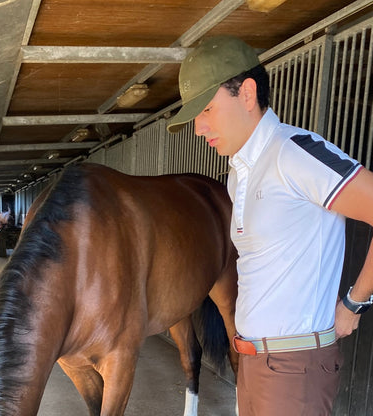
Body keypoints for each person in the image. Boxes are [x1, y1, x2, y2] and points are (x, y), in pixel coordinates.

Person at [167, 35, 373, 415]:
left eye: (207, 110)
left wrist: (354, 303)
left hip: (294, 370)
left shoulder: (293, 153)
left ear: (246, 93)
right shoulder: (238, 174)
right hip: (254, 362)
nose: (198, 129)